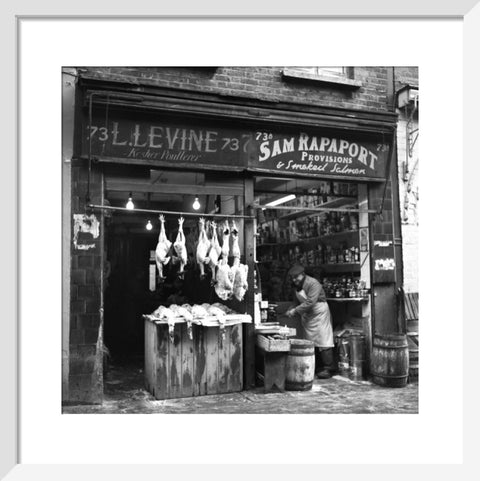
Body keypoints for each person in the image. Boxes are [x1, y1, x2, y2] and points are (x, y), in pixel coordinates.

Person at [286, 264, 335, 379]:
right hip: (308, 316)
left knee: (324, 341)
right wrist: (290, 308)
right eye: (292, 278)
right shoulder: (296, 286)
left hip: (319, 313)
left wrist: (295, 311)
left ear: (302, 275)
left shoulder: (313, 283)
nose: (294, 280)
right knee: (310, 342)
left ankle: (328, 368)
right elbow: (296, 302)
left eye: (296, 277)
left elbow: (310, 302)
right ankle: (316, 367)